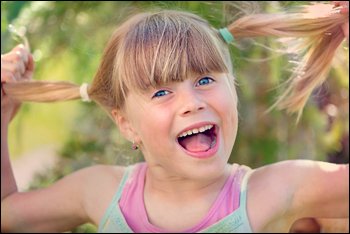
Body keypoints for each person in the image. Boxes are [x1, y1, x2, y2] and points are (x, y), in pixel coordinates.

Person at [1, 2, 349, 233]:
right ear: (125, 124)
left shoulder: (275, 190)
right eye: (161, 92)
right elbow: (7, 213)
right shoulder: (100, 192)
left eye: (205, 80)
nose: (192, 102)